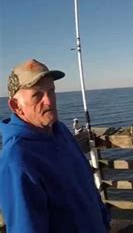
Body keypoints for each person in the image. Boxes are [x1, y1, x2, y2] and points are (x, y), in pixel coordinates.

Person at [0, 59, 110, 232]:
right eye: (37, 95)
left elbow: (86, 185)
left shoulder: (60, 130)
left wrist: (104, 220)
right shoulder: (17, 159)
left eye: (51, 91)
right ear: (16, 106)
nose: (49, 101)